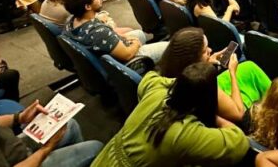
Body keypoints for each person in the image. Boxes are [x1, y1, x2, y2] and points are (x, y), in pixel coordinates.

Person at [91, 62, 249, 167]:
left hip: (103, 160)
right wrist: (214, 115)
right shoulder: (184, 133)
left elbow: (150, 78)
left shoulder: (156, 92)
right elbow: (239, 143)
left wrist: (189, 80)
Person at [157, 27, 270, 122]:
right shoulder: (198, 83)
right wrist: (232, 72)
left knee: (249, 67)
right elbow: (239, 114)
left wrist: (207, 62)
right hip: (235, 115)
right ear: (192, 59)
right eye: (205, 50)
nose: (210, 50)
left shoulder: (170, 71)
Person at [63, 0, 167, 62]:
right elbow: (127, 55)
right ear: (87, 6)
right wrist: (135, 44)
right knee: (169, 47)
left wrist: (122, 37)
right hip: (125, 62)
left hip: (107, 53)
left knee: (140, 34)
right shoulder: (99, 32)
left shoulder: (70, 22)